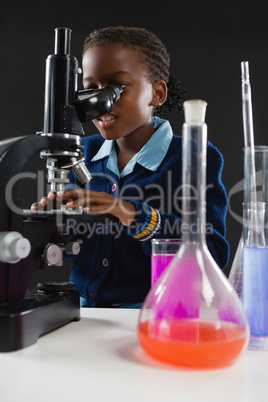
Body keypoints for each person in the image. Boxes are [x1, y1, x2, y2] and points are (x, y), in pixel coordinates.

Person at [31, 26, 229, 308]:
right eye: (89, 90)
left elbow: (213, 255)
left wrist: (129, 213)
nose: (98, 103)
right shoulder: (81, 152)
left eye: (116, 88)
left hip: (155, 313)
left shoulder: (193, 157)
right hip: (84, 312)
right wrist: (50, 230)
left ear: (157, 93)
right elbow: (74, 249)